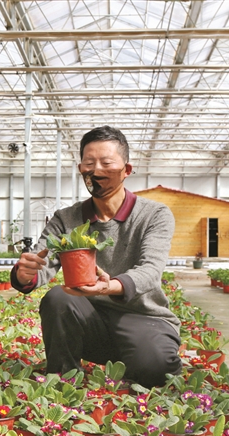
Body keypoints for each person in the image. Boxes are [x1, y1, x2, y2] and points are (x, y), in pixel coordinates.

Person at [12, 126, 182, 388]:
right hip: (89, 320)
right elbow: (42, 259)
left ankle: (141, 357)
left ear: (126, 169)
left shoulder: (154, 214)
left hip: (143, 318)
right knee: (58, 297)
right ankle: (63, 381)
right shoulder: (66, 218)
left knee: (157, 370)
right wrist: (26, 274)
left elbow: (150, 270)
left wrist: (109, 286)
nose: (96, 171)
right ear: (80, 168)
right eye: (89, 163)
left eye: (106, 163)